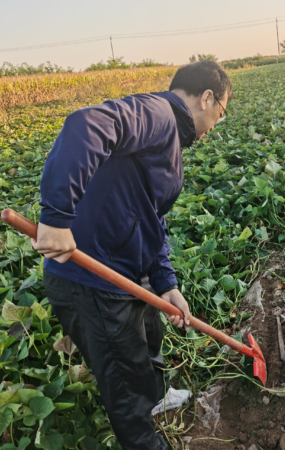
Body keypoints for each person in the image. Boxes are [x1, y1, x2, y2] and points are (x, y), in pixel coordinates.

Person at [31, 60, 232, 450]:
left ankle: (156, 400)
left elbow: (149, 216)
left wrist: (166, 282)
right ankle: (143, 438)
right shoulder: (159, 114)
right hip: (92, 280)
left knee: (149, 342)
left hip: (127, 270)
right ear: (207, 97)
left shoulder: (169, 136)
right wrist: (56, 216)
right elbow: (85, 125)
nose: (216, 125)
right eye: (220, 113)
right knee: (125, 382)